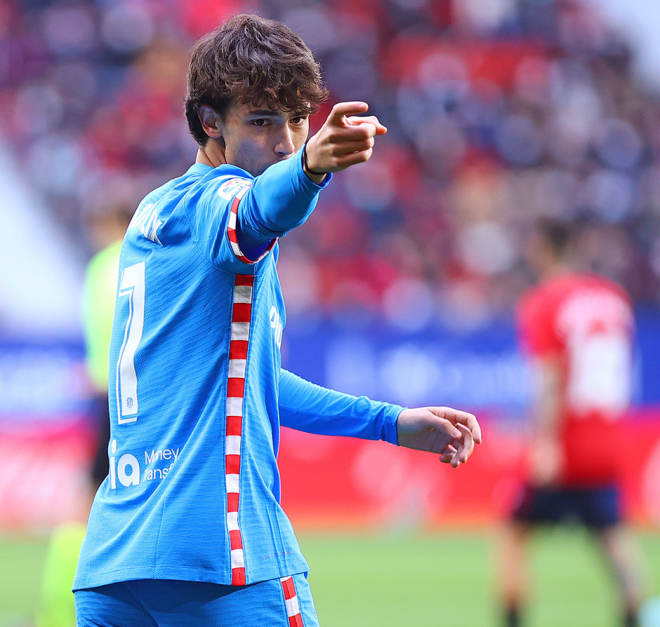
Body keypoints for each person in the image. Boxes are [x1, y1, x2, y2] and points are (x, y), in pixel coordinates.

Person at [73, 14, 482, 627]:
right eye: (262, 122)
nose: (287, 141)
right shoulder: (220, 203)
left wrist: (389, 423)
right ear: (210, 123)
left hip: (116, 566)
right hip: (221, 559)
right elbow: (260, 210)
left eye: (297, 120)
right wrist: (313, 165)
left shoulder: (156, 213)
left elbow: (253, 383)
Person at [497, 220, 646, 627]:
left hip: (567, 439)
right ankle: (639, 614)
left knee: (512, 532)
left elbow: (550, 377)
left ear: (543, 250)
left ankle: (511, 620)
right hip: (609, 435)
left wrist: (544, 442)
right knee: (613, 536)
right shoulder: (614, 299)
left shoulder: (544, 301)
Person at [36, 194, 134, 627]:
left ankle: (58, 608)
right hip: (135, 395)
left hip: (106, 395)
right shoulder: (139, 260)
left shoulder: (101, 269)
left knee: (87, 501)